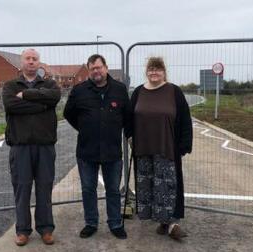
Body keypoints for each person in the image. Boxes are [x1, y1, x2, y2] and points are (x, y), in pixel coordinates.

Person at [64, 54, 131, 239]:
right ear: (89, 70)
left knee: (113, 189)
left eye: (99, 67)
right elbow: (68, 113)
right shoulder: (79, 90)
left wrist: (127, 133)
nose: (96, 71)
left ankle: (115, 223)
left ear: (106, 68)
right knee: (88, 189)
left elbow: (127, 116)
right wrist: (85, 128)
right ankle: (91, 223)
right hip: (87, 150)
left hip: (112, 150)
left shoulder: (119, 89)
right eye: (92, 68)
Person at [130, 57, 192, 240]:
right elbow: (129, 117)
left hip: (167, 148)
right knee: (147, 185)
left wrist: (184, 145)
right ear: (146, 71)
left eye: (157, 69)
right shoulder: (138, 92)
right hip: (143, 149)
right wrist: (129, 136)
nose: (154, 72)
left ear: (164, 72)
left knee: (168, 186)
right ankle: (159, 221)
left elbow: (185, 120)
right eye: (151, 69)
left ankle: (171, 222)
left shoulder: (174, 92)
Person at [2, 48, 61, 246]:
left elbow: (54, 97)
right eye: (27, 58)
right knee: (22, 189)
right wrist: (42, 105)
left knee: (44, 188)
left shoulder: (50, 84)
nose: (31, 61)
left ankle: (46, 229)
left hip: (45, 146)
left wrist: (26, 95)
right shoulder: (10, 86)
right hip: (21, 147)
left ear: (39, 63)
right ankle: (23, 230)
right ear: (21, 63)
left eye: (34, 59)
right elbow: (11, 106)